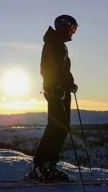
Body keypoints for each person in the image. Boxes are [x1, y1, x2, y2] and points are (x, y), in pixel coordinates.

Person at [27, 15, 78, 182]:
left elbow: (63, 70)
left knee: (56, 127)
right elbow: (48, 68)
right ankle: (47, 167)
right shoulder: (54, 43)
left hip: (59, 90)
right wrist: (55, 87)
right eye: (72, 28)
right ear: (64, 26)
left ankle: (41, 166)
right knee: (59, 128)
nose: (73, 32)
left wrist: (69, 84)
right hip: (56, 91)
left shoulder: (57, 43)